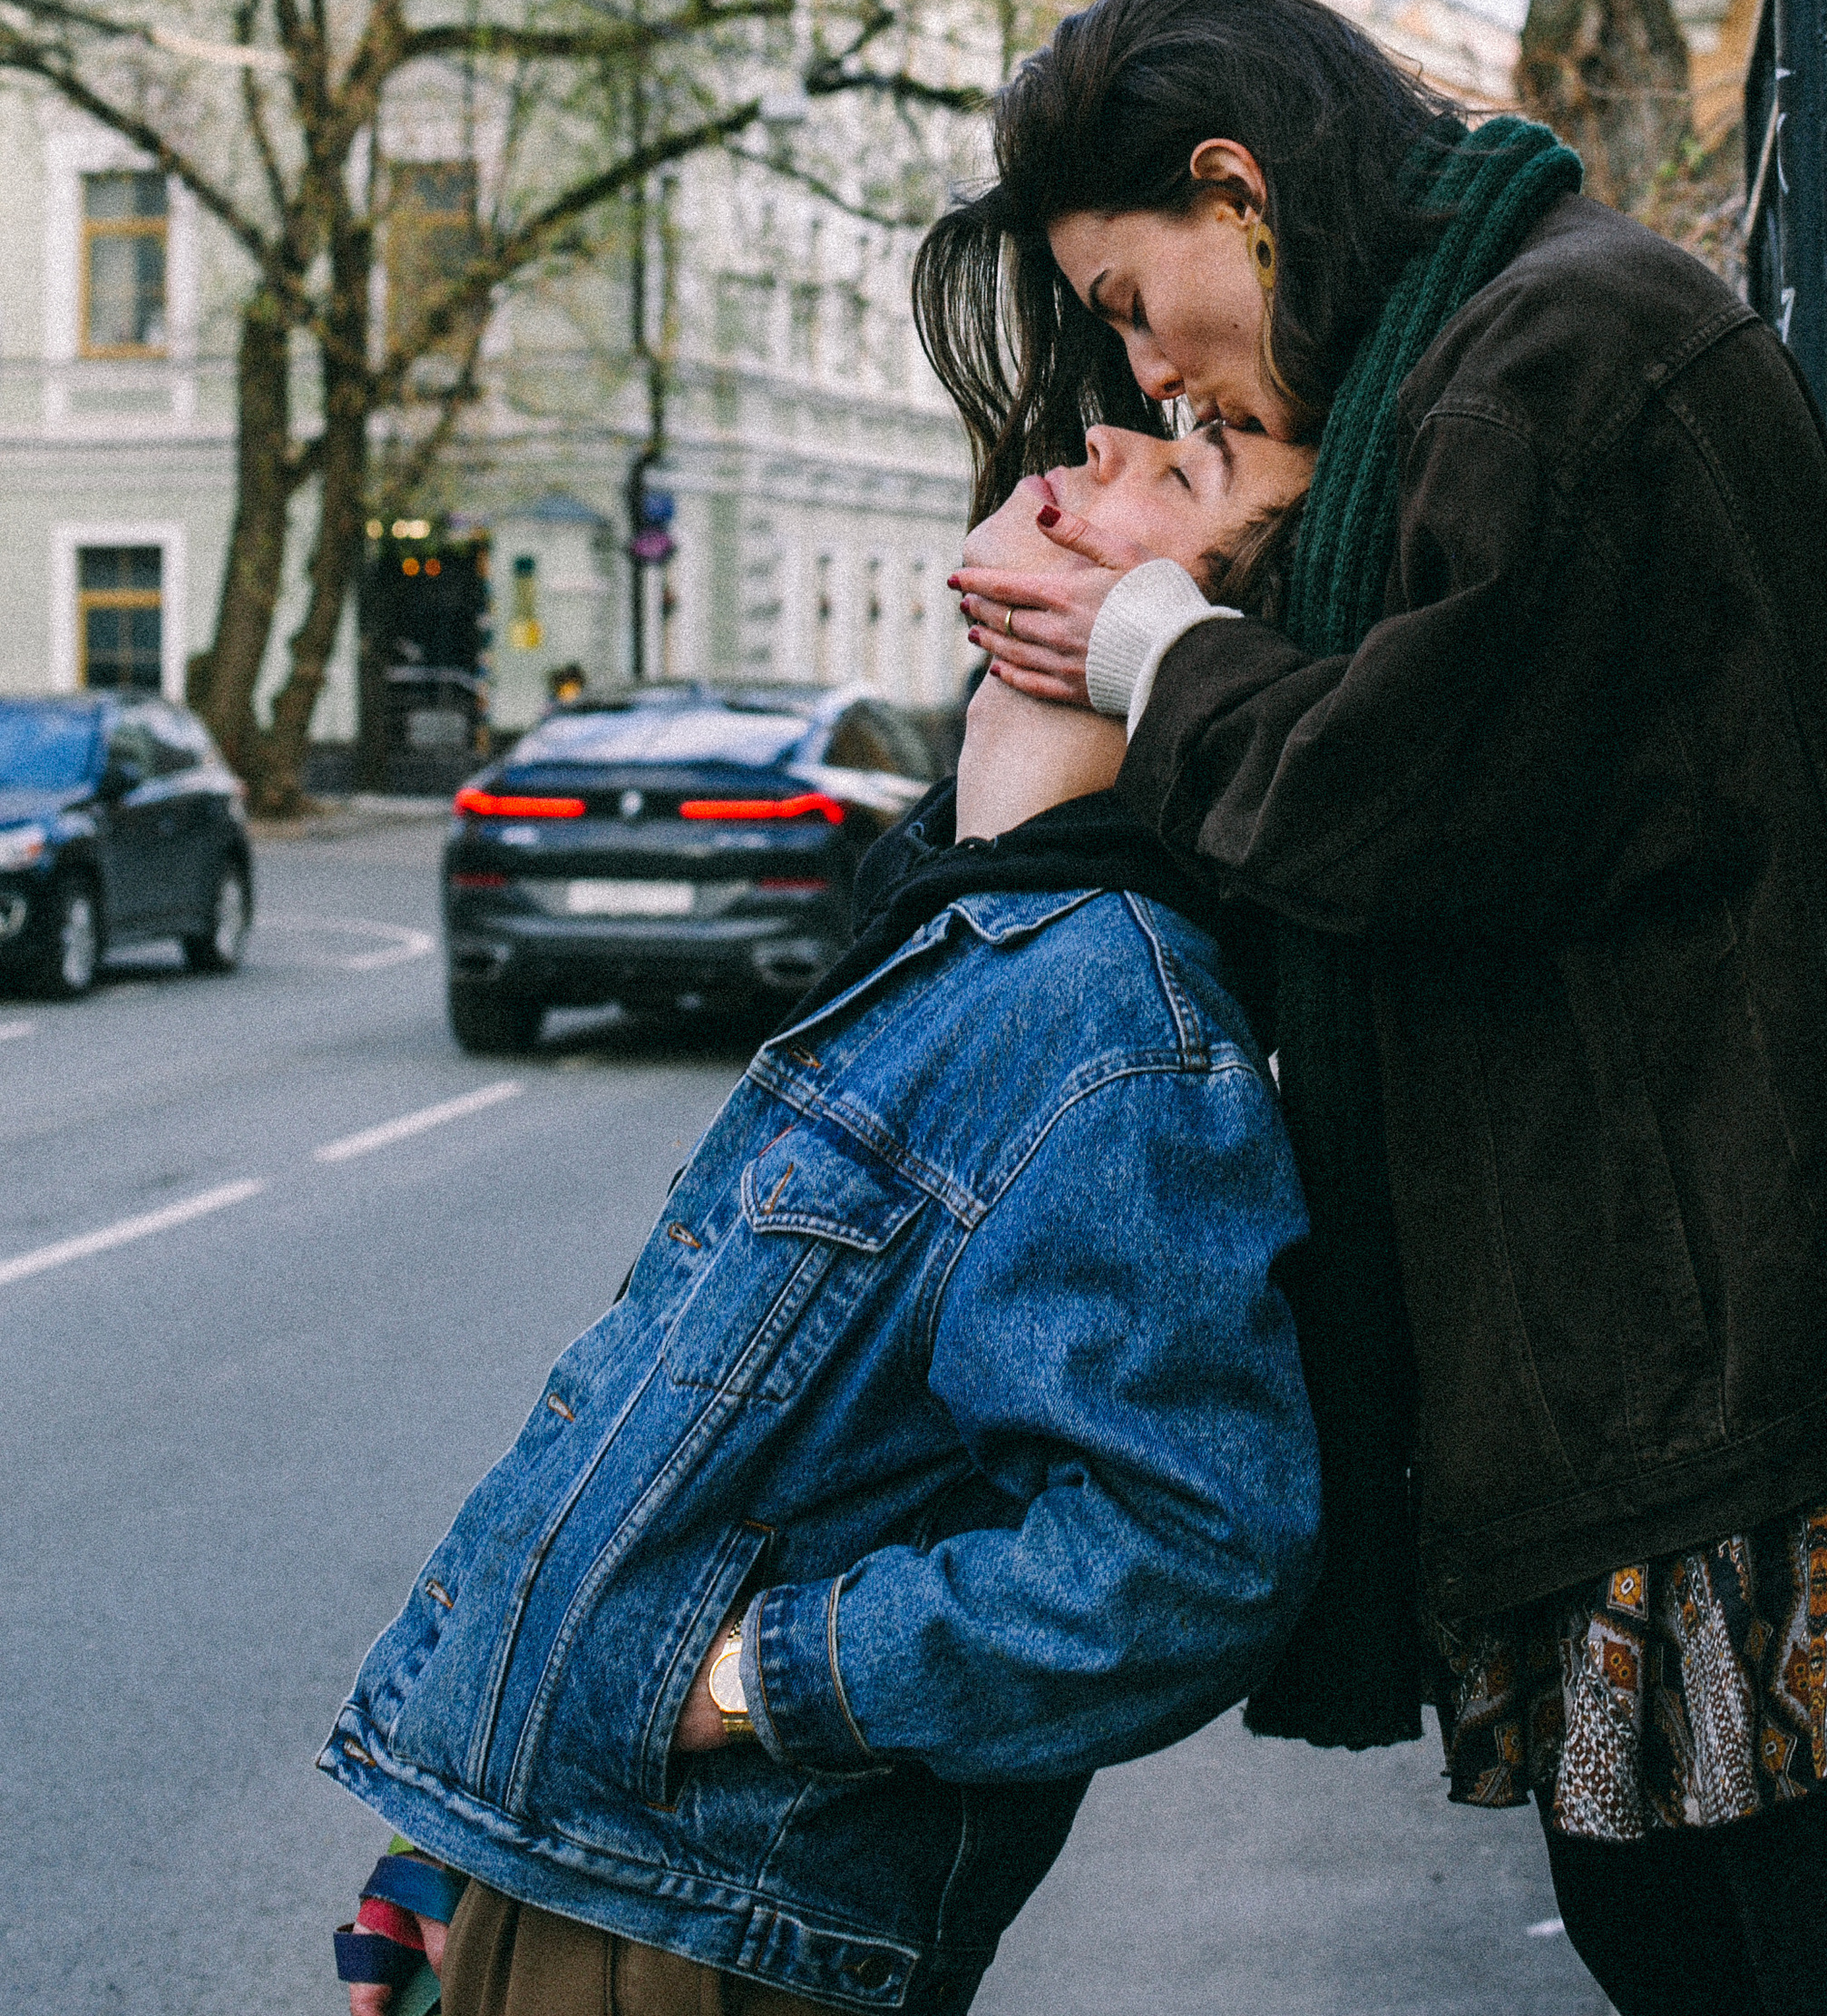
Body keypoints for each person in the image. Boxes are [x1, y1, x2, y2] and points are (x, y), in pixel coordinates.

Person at [930, 0, 1827, 2016]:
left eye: (1132, 301)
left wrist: (1145, 645)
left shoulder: (1558, 351)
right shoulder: (1470, 366)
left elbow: (1407, 799)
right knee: (1689, 1939)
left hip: (1710, 1398)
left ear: (1236, 191)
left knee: (1763, 1949)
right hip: (1647, 1386)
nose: (1145, 375)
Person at [324, 416, 1320, 2016]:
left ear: (1185, 647)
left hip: (715, 1940)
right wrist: (455, 1833)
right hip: (582, 1872)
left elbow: (1191, 1553)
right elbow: (666, 1453)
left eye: (1188, 471)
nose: (1108, 428)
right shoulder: (965, 940)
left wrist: (741, 1681)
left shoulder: (1105, 1016)